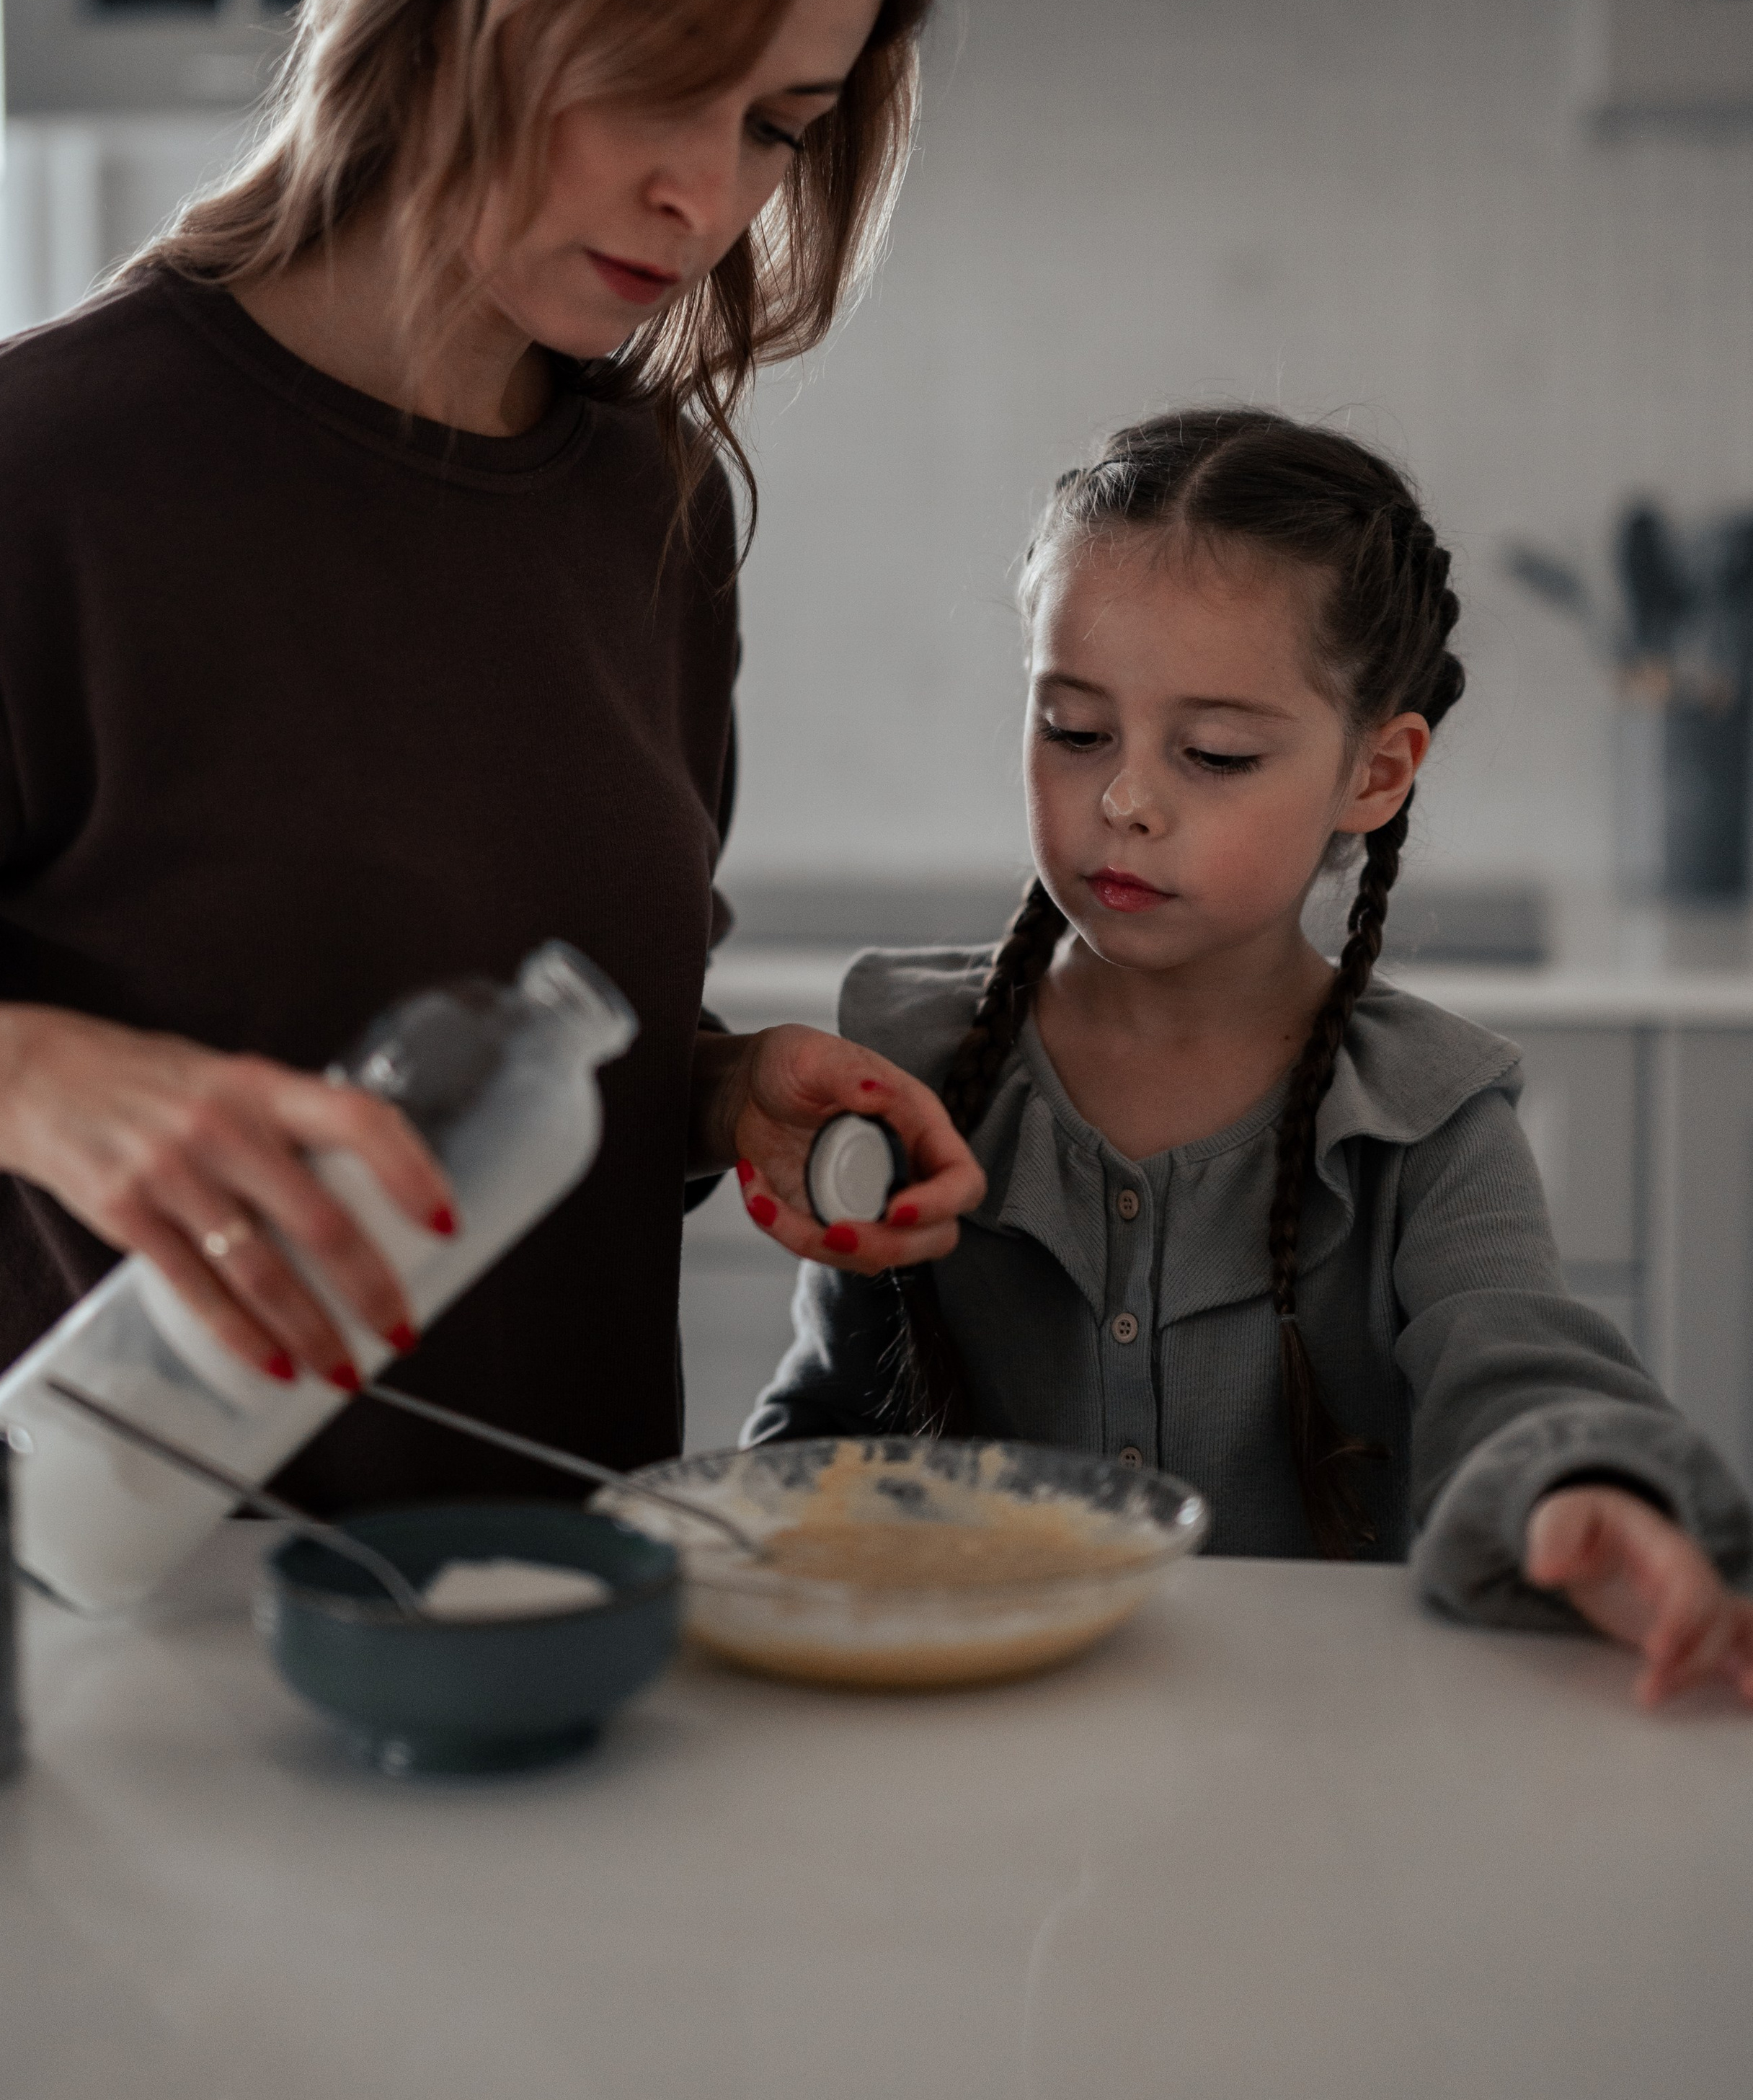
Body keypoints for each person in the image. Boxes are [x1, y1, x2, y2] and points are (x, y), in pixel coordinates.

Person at [0, 0, 982, 1514]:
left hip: (541, 1638)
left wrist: (720, 1095)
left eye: (776, 128)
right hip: (107, 1680)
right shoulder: (16, 495)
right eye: (659, 84)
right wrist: (18, 1081)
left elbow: (486, 1067)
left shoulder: (649, 503)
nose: (708, 199)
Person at [747, 409, 1753, 1707]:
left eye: (1215, 753)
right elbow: (825, 1433)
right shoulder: (909, 1069)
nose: (1128, 800)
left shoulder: (1427, 1121)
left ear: (1376, 773)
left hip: (1323, 1781)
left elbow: (1518, 1363)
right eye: (1073, 728)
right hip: (974, 1773)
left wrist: (1590, 1490)